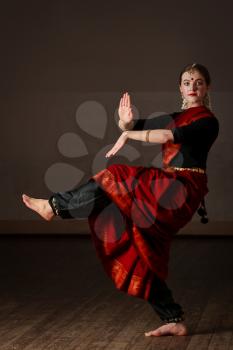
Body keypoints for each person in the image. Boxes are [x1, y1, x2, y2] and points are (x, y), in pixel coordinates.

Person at [22, 63, 219, 337]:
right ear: (180, 88)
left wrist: (128, 134)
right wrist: (125, 122)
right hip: (166, 189)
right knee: (133, 239)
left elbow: (168, 136)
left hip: (182, 188)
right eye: (187, 82)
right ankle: (172, 317)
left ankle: (54, 206)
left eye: (198, 82)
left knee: (116, 175)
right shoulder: (174, 116)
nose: (193, 87)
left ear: (207, 87)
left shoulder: (208, 121)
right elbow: (137, 125)